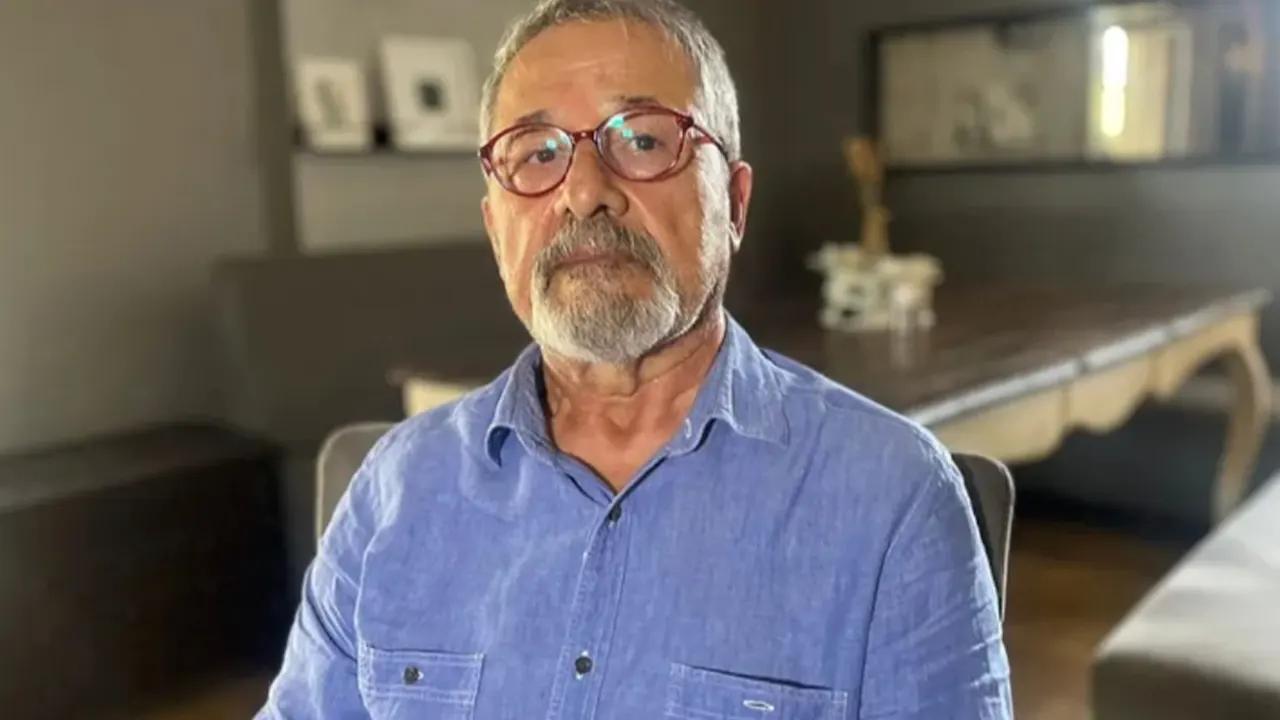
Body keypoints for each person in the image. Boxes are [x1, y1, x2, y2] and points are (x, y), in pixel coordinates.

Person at [258, 1, 1012, 717]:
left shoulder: (892, 497)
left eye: (645, 141)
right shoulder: (394, 490)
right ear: (495, 229)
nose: (585, 192)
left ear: (734, 204)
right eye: (537, 153)